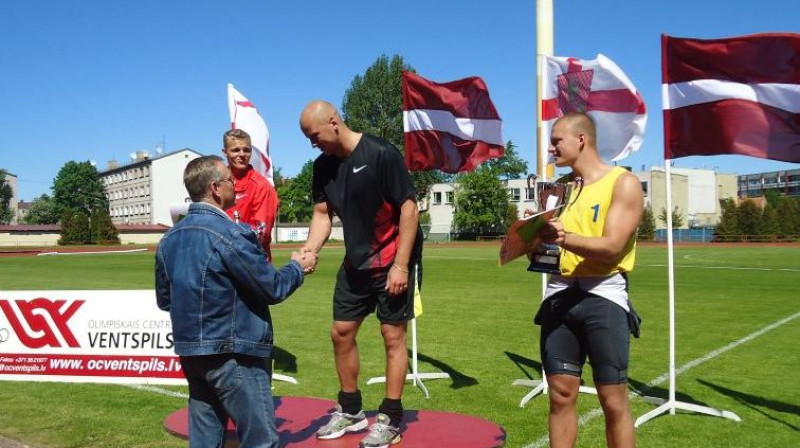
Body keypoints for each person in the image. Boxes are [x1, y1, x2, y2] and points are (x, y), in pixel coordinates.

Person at [155, 155, 316, 448]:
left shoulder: (168, 239)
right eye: (230, 181)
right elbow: (272, 288)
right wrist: (297, 266)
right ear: (216, 188)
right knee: (260, 440)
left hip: (192, 353)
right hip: (234, 352)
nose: (236, 187)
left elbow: (165, 300)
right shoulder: (231, 233)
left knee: (205, 440)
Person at [299, 100, 423, 448]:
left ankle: (391, 418)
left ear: (334, 122)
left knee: (392, 336)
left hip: (392, 260)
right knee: (341, 332)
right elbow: (323, 215)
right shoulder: (322, 167)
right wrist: (311, 249)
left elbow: (409, 210)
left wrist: (401, 265)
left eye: (314, 136)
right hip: (356, 264)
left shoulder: (382, 153)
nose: (313, 143)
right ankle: (351, 410)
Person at [534, 112, 643, 448]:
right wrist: (529, 236)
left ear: (581, 139)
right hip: (559, 294)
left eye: (556, 141)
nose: (551, 149)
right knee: (561, 395)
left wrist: (563, 237)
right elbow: (540, 256)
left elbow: (611, 248)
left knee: (612, 400)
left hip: (603, 297)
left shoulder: (622, 182)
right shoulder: (557, 190)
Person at [222, 129, 280, 262]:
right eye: (236, 150)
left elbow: (261, 233)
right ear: (224, 152)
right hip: (223, 266)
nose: (242, 154)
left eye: (246, 150)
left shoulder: (262, 186)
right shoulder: (217, 184)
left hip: (253, 265)